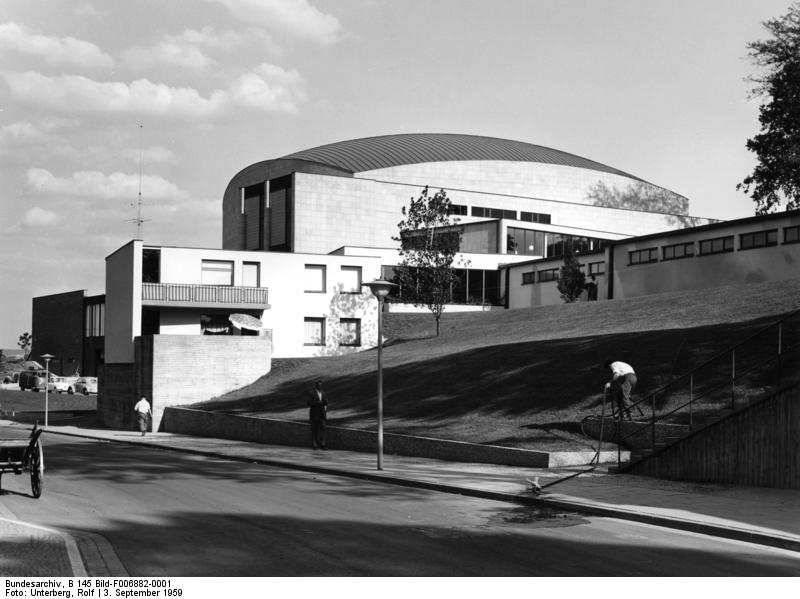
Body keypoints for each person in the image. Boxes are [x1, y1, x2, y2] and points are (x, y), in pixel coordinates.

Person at [307, 380, 328, 449]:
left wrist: (325, 402)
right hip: (314, 414)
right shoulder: (311, 393)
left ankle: (323, 444)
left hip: (322, 414)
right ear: (316, 386)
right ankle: (314, 444)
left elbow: (326, 402)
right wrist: (317, 403)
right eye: (319, 385)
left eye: (321, 385)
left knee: (323, 428)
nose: (320, 386)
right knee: (314, 429)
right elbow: (308, 403)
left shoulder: (324, 393)